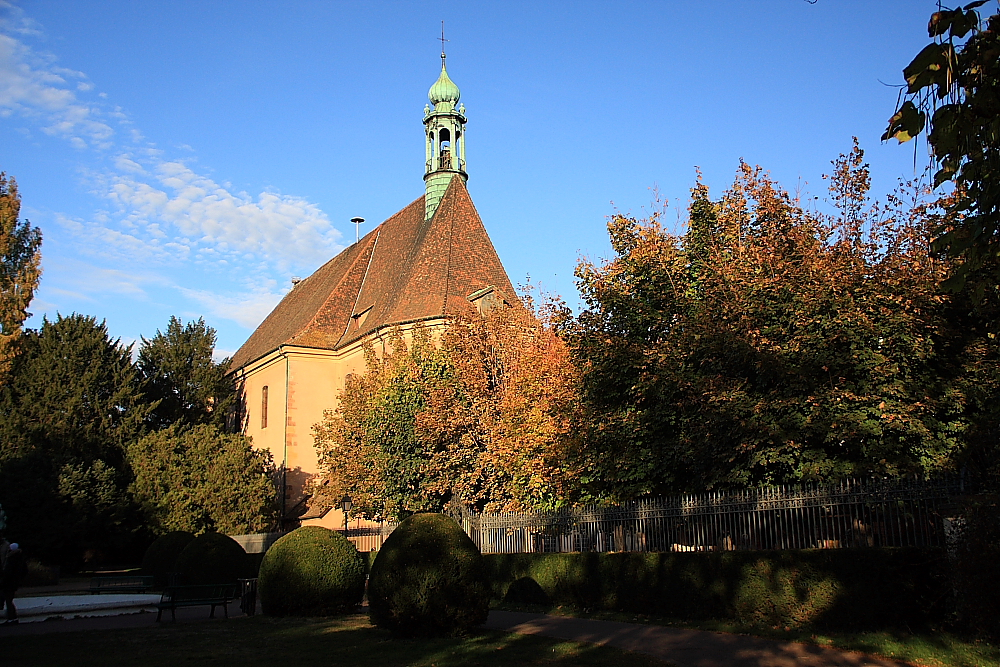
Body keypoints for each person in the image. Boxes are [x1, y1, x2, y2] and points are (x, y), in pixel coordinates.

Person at [2, 542, 25, 625]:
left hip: (9, 583)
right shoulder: (20, 558)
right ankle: (13, 618)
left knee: (8, 600)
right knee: (9, 600)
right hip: (14, 583)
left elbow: (8, 572)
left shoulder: (11, 559)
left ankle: (12, 618)